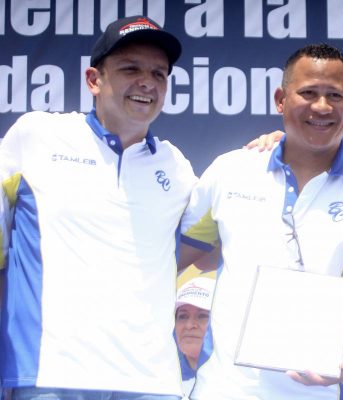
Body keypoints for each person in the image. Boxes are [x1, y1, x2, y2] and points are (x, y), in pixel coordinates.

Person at [178, 43, 343, 399]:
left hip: (324, 393)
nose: (322, 106)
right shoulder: (230, 171)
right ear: (281, 99)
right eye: (308, 93)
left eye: (335, 95)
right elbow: (168, 260)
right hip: (225, 390)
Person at [0, 15, 204, 400]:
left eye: (158, 74)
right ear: (94, 79)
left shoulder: (176, 167)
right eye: (131, 69)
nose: (147, 82)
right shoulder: (36, 136)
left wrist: (272, 151)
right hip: (52, 373)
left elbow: (212, 245)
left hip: (151, 381)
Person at [174, 273, 216, 398]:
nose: (189, 325)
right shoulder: (158, 377)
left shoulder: (239, 380)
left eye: (202, 315)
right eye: (183, 316)